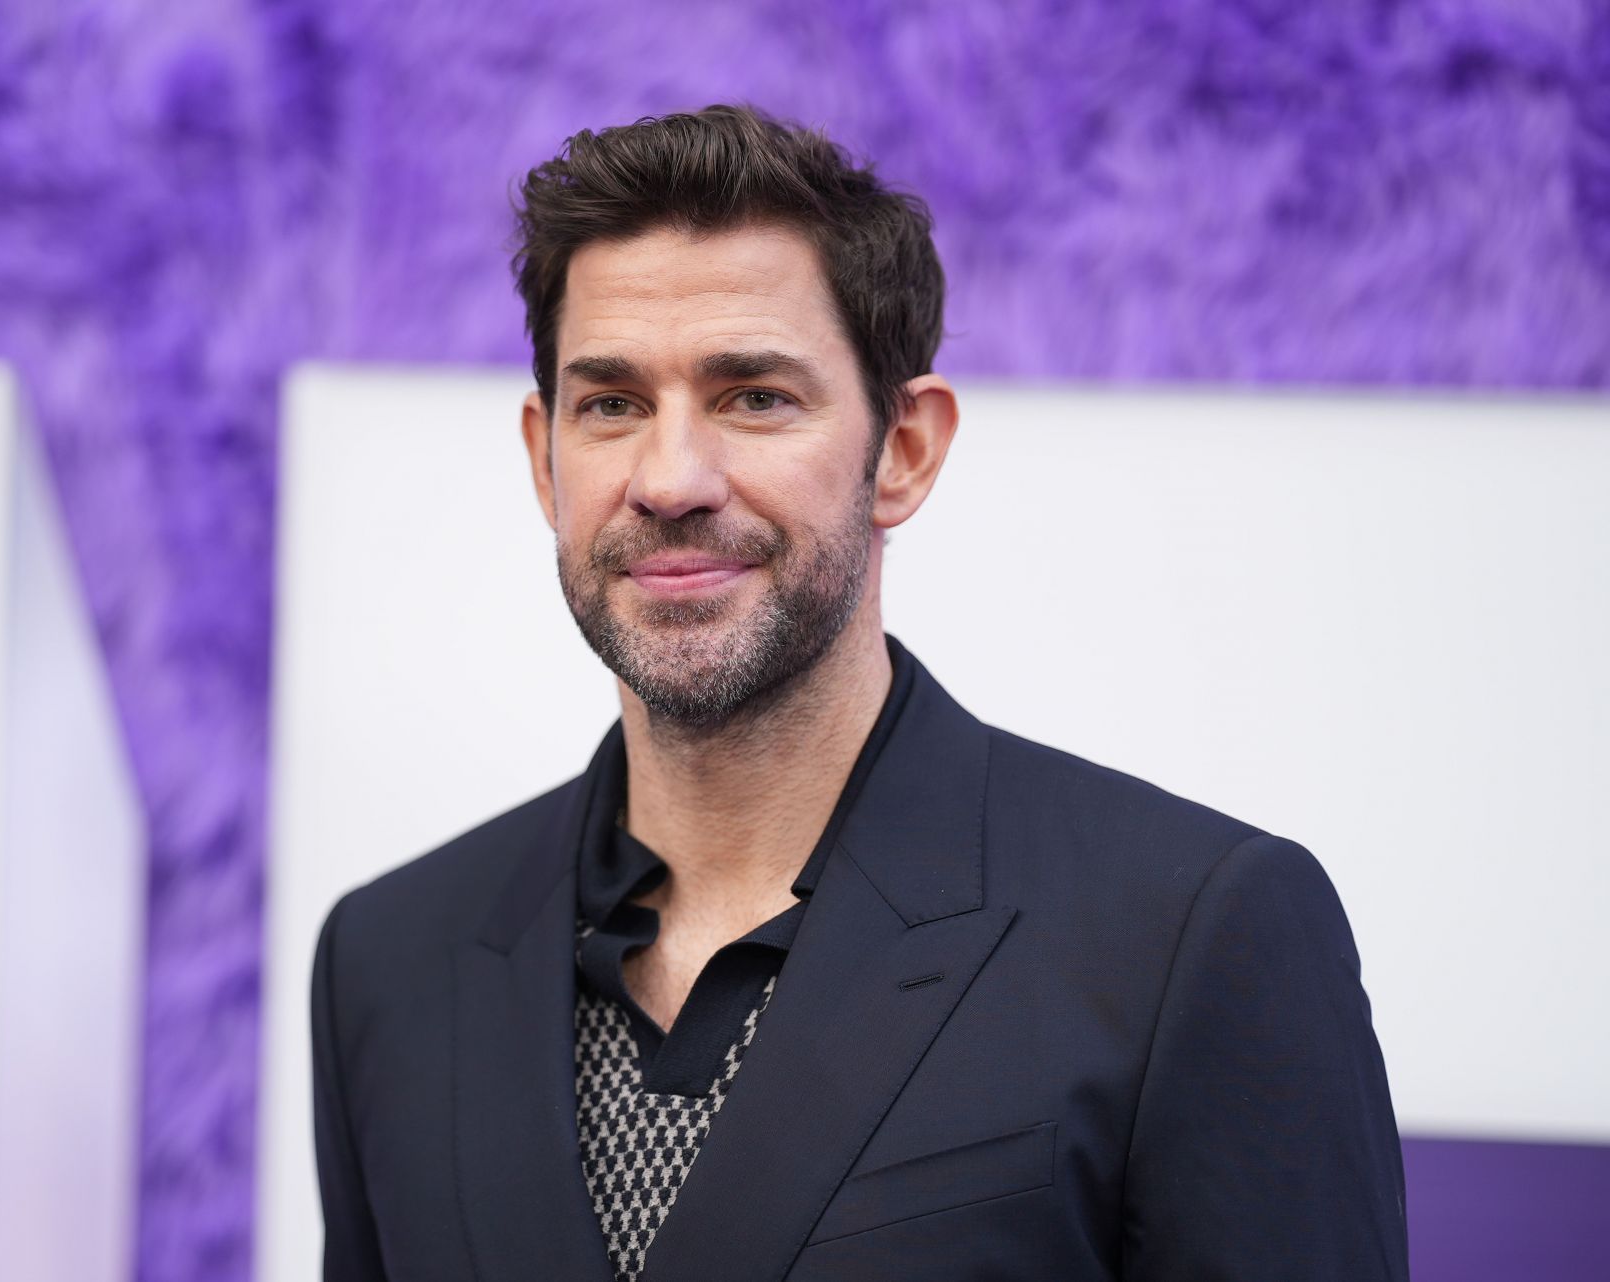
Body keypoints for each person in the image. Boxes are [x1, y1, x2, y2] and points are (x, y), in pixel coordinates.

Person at [310, 104, 1408, 1282]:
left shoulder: (1191, 936)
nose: (671, 478)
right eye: (612, 403)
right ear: (544, 458)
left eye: (755, 396)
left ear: (905, 450)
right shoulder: (389, 961)